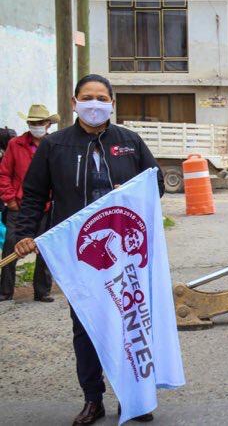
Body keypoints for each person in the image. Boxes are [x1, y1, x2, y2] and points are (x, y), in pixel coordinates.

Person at [11, 74, 164, 425]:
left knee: (130, 323)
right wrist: (24, 234)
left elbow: (156, 183)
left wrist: (132, 189)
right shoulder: (55, 146)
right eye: (87, 97)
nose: (94, 104)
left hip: (124, 255)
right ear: (74, 102)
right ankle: (92, 399)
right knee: (87, 327)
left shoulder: (130, 142)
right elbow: (34, 195)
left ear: (112, 103)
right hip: (80, 256)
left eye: (101, 97)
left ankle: (134, 397)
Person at [0, 104, 58, 302]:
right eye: (32, 123)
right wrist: (9, 199)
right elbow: (4, 173)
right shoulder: (15, 144)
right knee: (10, 246)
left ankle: (42, 291)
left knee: (45, 249)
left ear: (48, 124)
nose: (36, 126)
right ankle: (5, 290)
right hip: (20, 205)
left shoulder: (54, 145)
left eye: (40, 122)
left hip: (47, 206)